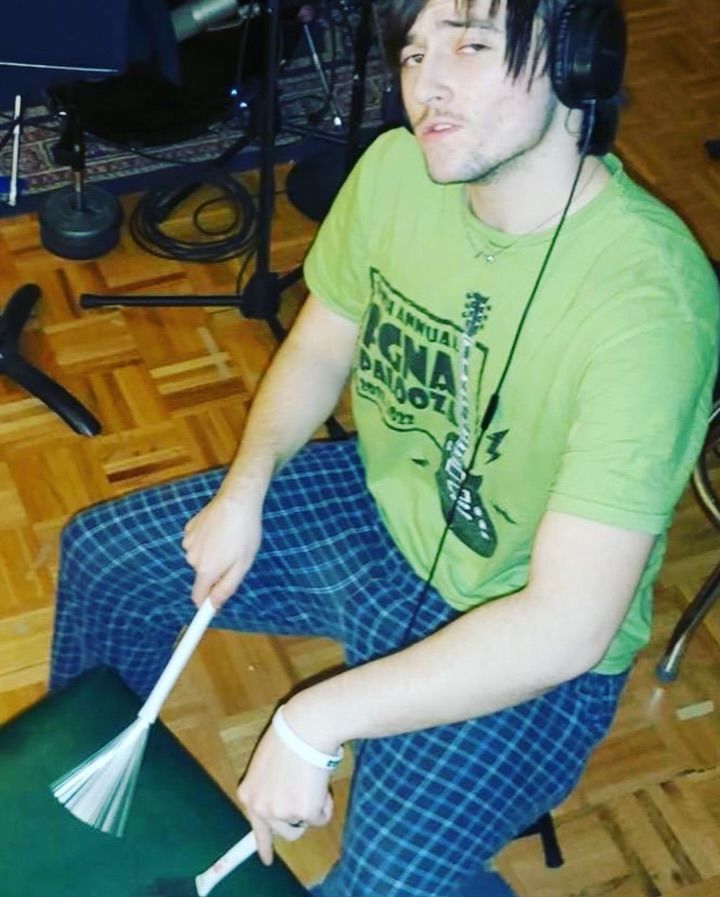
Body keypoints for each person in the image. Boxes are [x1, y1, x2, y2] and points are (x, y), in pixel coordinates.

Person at [50, 0, 719, 894]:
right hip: (376, 514)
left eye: (470, 45)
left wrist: (310, 721)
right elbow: (321, 346)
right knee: (104, 559)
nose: (425, 85)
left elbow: (564, 624)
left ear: (578, 63)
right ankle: (90, 824)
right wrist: (245, 487)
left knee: (383, 884)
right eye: (412, 53)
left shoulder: (653, 305)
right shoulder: (398, 169)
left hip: (525, 636)